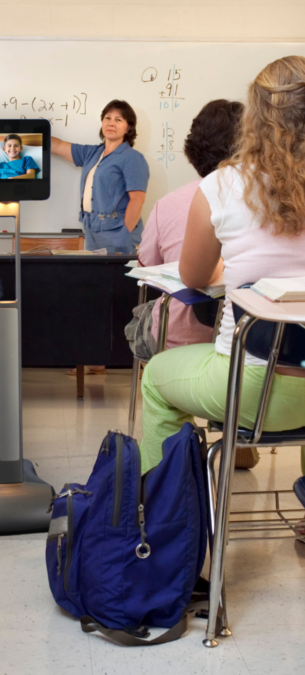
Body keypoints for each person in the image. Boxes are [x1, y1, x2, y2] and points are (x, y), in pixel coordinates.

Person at [139, 56, 305, 476]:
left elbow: (194, 277)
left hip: (248, 385)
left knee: (156, 377)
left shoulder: (222, 186)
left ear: (256, 118)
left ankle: (165, 519)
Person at [136, 99, 243, 357]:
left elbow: (147, 269)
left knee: (140, 319)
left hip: (180, 341)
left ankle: (157, 382)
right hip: (250, 343)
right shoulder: (270, 201)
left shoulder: (169, 204)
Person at [51, 99, 150, 255]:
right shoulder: (92, 153)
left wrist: (124, 234)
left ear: (128, 127)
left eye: (118, 120)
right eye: (108, 118)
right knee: (96, 277)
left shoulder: (132, 157)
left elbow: (137, 199)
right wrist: (17, 138)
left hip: (117, 232)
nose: (111, 123)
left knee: (116, 278)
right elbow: (57, 146)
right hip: (91, 230)